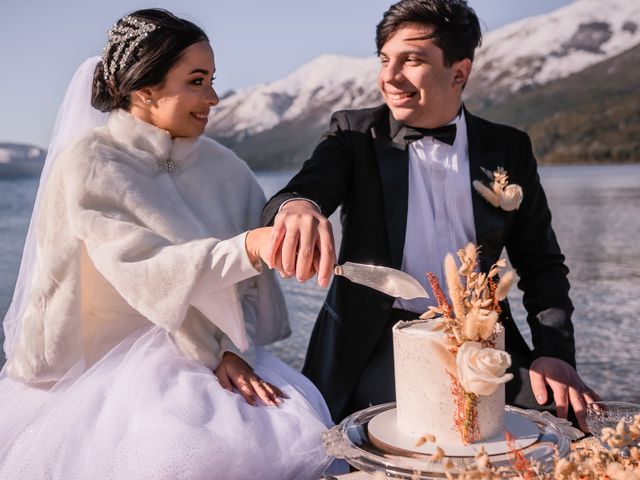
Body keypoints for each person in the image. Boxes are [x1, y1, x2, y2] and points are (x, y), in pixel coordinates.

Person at [0, 9, 344, 479]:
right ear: (145, 88)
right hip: (110, 368)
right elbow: (142, 268)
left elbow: (245, 287)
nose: (215, 97)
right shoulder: (90, 161)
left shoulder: (230, 171)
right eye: (197, 82)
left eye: (212, 80)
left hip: (220, 351)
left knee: (297, 430)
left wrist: (232, 351)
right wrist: (250, 246)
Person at [262, 0, 599, 430]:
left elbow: (541, 264)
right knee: (423, 432)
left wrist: (553, 352)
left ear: (459, 72)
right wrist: (297, 207)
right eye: (385, 60)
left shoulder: (508, 147)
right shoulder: (352, 135)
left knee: (575, 426)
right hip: (377, 340)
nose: (390, 77)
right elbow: (304, 188)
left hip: (484, 336)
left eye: (412, 60)